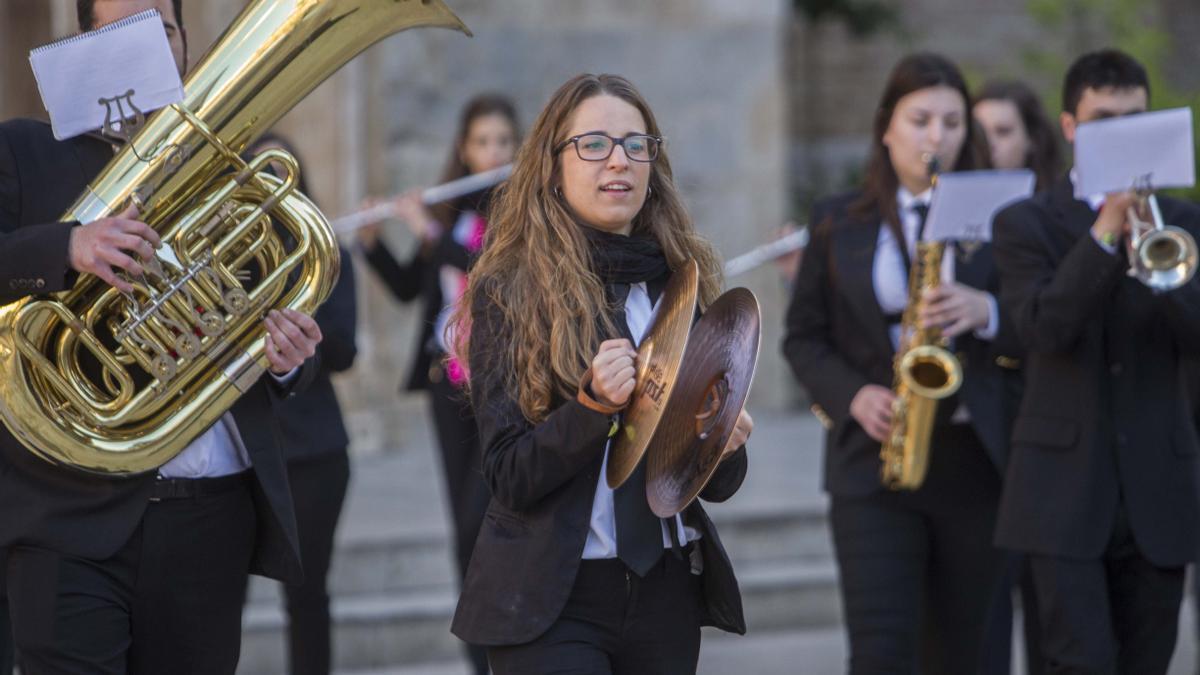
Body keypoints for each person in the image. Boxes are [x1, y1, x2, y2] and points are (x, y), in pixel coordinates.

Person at [0, 2, 322, 673]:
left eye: (162, 27)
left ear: (183, 45)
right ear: (83, 43)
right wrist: (68, 244)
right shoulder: (22, 149)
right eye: (121, 28)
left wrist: (285, 356)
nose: (146, 43)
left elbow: (267, 312)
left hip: (211, 517)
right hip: (66, 514)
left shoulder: (234, 168)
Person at [448, 73, 752, 674]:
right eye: (594, 144)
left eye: (637, 145)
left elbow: (709, 485)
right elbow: (507, 474)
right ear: (552, 165)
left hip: (665, 591)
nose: (619, 160)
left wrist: (724, 442)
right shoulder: (509, 291)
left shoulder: (679, 286)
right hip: (549, 599)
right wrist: (591, 410)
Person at [783, 52, 1018, 674]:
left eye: (951, 121)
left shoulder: (1003, 218)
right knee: (881, 651)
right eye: (920, 120)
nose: (936, 137)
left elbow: (1043, 320)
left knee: (972, 655)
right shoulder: (838, 220)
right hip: (872, 462)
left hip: (976, 462)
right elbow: (802, 337)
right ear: (887, 125)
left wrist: (986, 308)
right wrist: (855, 396)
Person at [992, 48, 1200, 674]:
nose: (1122, 134)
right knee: (1075, 664)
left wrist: (1151, 254)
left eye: (1134, 119)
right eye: (1105, 119)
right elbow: (1042, 328)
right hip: (1060, 498)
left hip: (1158, 496)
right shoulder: (1024, 223)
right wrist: (1105, 236)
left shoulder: (1183, 223)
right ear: (1071, 128)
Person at [356, 93, 518, 675]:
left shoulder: (522, 214)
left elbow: (495, 275)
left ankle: (509, 639)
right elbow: (407, 289)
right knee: (463, 523)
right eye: (482, 142)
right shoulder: (449, 211)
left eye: (502, 141)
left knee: (493, 516)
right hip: (449, 386)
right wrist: (373, 243)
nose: (493, 152)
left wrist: (427, 229)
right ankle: (479, 656)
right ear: (463, 148)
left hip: (506, 388)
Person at [247, 133, 359, 675]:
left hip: (313, 452)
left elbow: (344, 351)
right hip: (242, 456)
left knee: (308, 595)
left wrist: (291, 313)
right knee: (219, 600)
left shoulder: (327, 255)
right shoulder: (218, 263)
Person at [972, 77, 1063, 675]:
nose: (989, 147)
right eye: (979, 134)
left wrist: (989, 314)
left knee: (1057, 618)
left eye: (1003, 133)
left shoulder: (1057, 215)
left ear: (1033, 141)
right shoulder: (952, 209)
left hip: (1054, 426)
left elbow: (1049, 319)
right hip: (984, 435)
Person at [973, 79, 1065, 191]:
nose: (988, 143)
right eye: (979, 131)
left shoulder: (1060, 201)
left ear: (1032, 138)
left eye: (1002, 132)